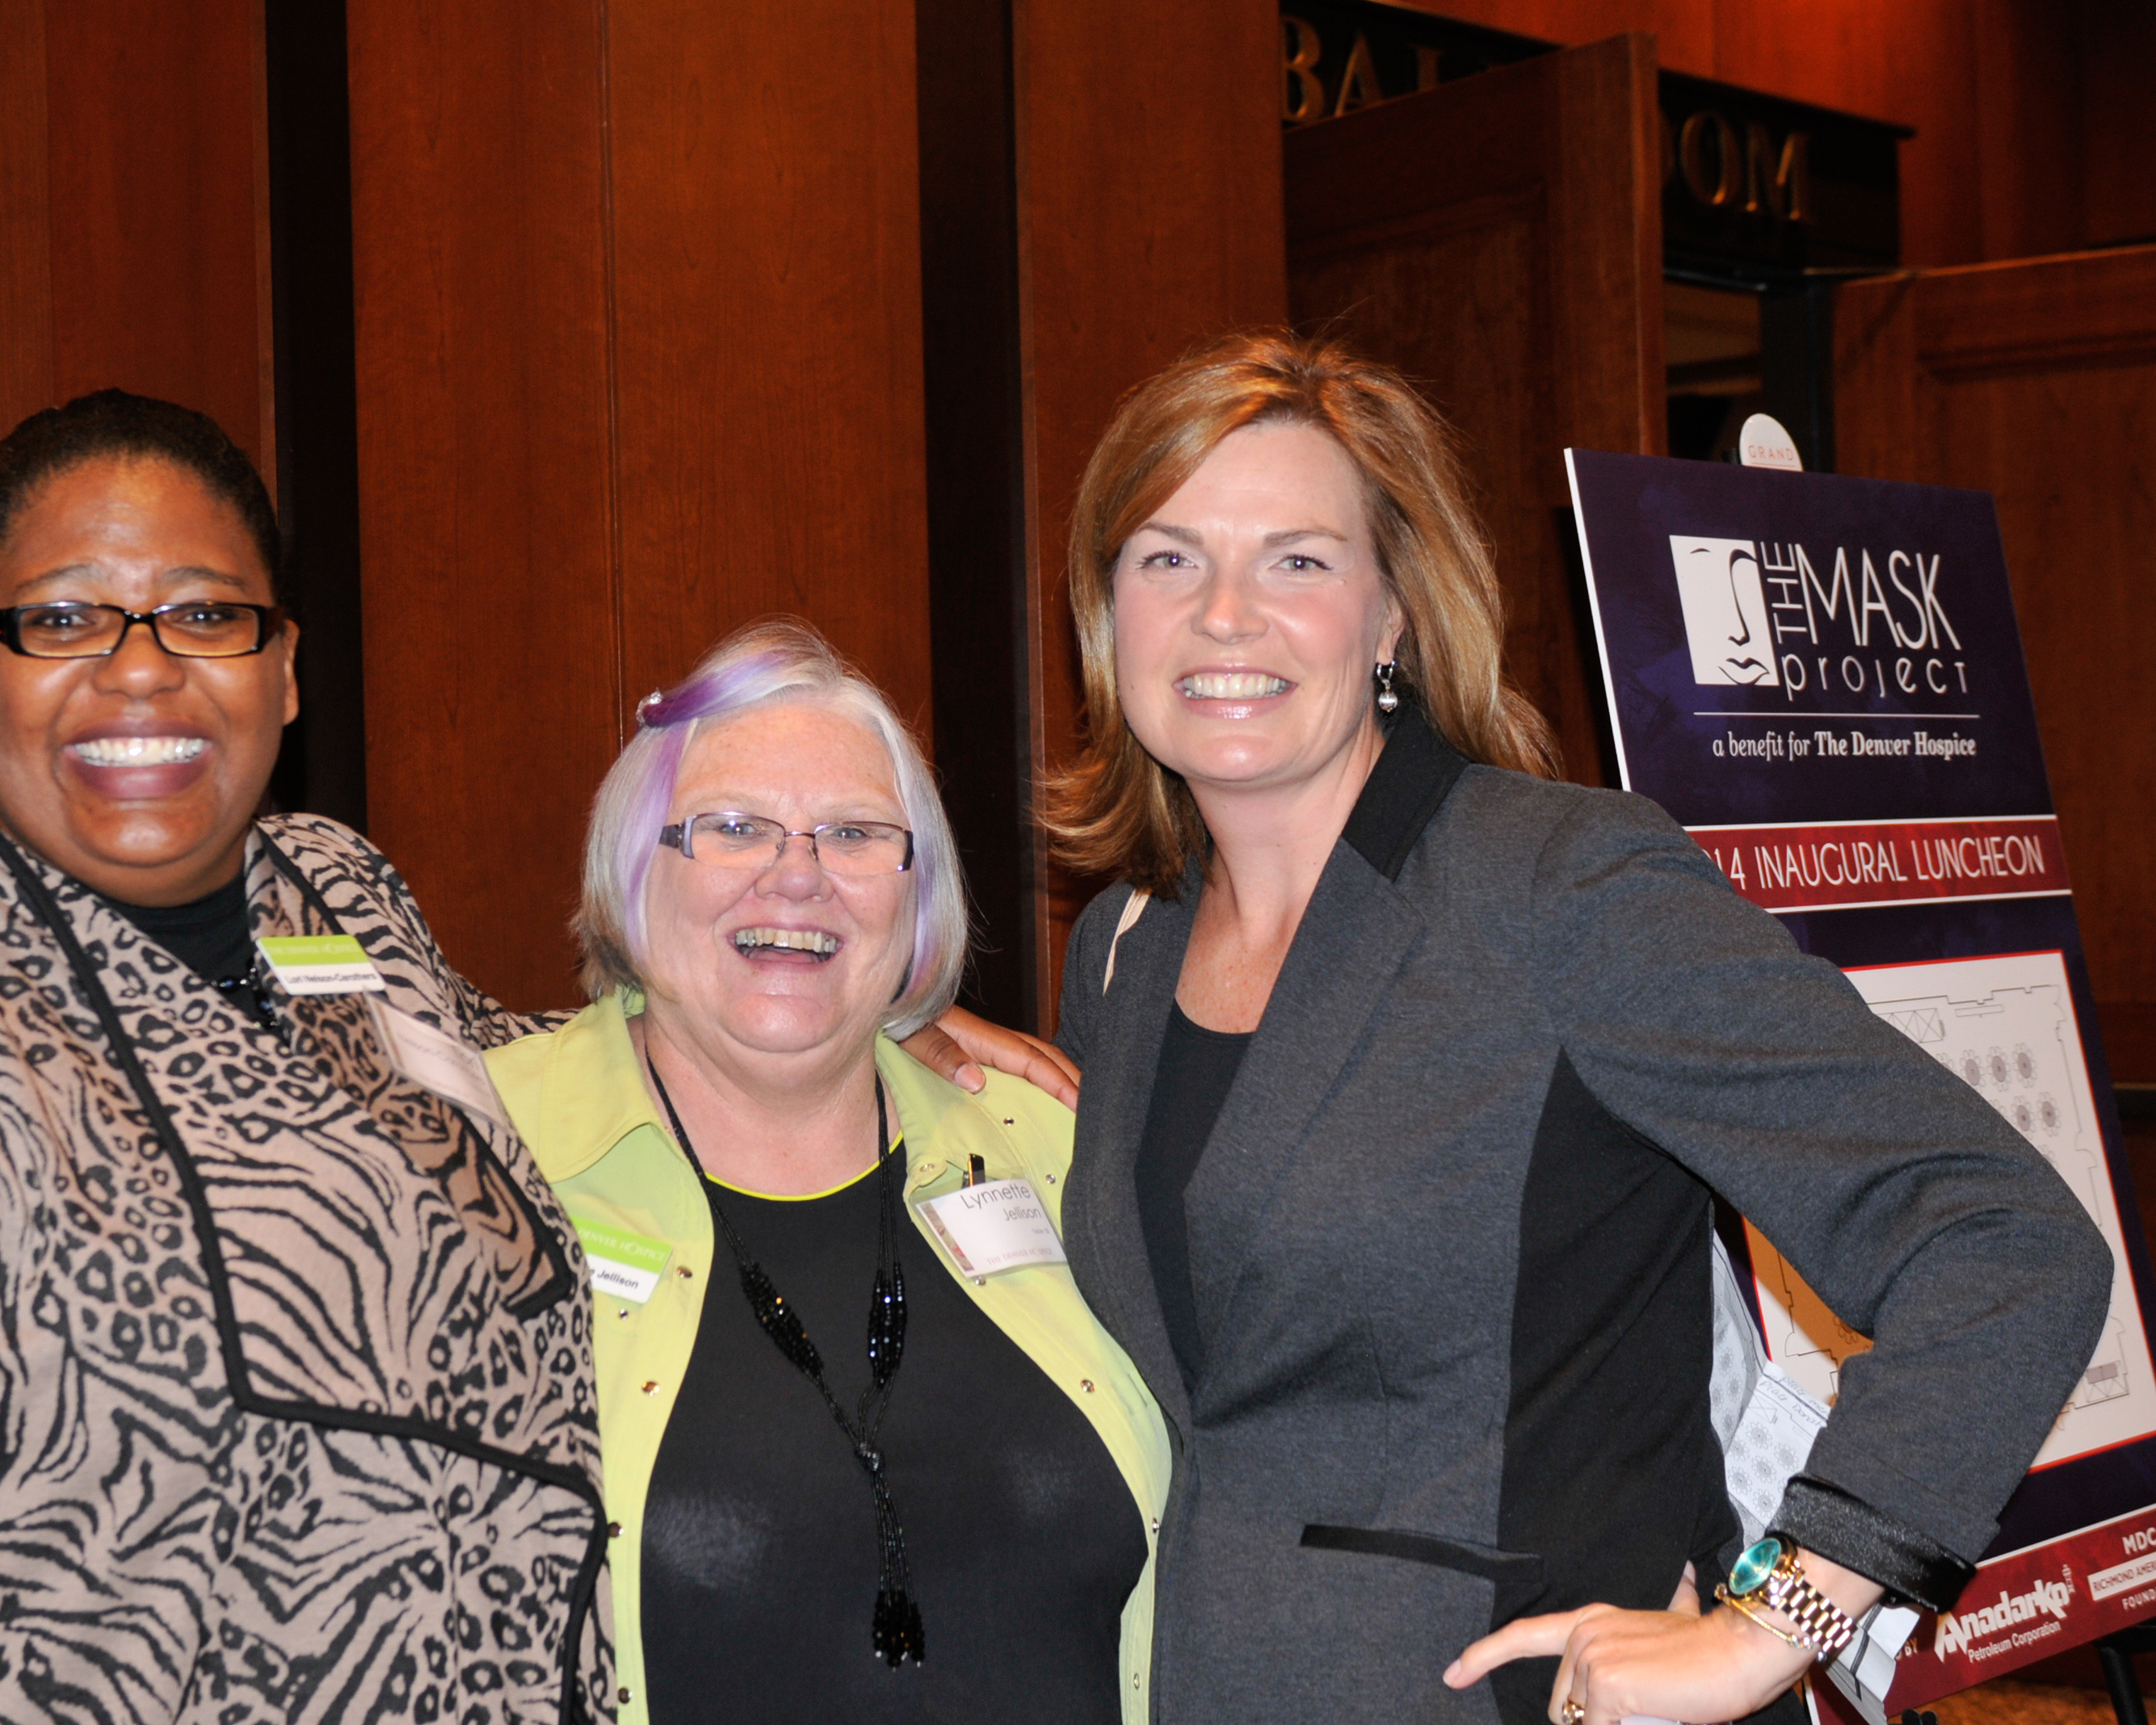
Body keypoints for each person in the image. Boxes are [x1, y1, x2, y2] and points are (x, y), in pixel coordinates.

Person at [1038, 331, 2111, 1725]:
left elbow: (2004, 1242)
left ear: (1392, 617)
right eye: (1168, 557)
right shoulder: (1127, 942)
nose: (1224, 613)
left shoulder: (1561, 887)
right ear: (1106, 610)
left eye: (1297, 559)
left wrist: (1772, 1621)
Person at [0, 392, 612, 1723]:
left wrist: (863, 1030)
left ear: (286, 668)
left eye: (207, 615)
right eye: (63, 618)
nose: (141, 668)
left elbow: (565, 1082)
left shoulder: (341, 899)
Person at [484, 621, 1167, 1725]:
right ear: (633, 866)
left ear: (916, 895)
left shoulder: (1054, 1151)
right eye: (736, 827)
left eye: (853, 834)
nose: (796, 878)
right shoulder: (475, 1165)